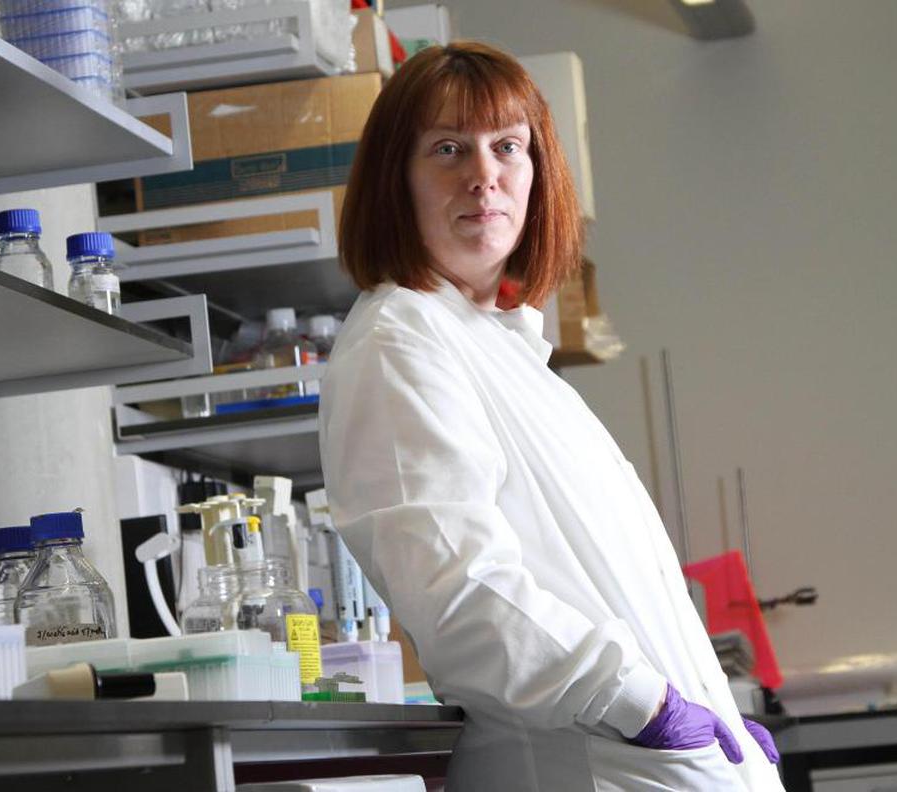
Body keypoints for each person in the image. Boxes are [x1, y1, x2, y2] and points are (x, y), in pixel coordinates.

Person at [319, 41, 786, 791]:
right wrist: (641, 703)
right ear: (394, 181)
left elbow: (610, 585)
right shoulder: (398, 341)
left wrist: (715, 711)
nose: (484, 175)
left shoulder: (501, 348)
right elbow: (458, 590)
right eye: (447, 149)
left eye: (508, 146)